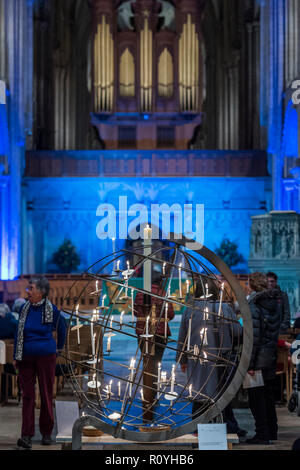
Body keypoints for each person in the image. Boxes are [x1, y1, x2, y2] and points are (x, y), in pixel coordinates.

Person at [176, 277, 244, 435]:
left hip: (196, 358)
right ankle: (223, 430)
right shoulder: (224, 307)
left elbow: (182, 336)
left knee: (199, 393)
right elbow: (237, 332)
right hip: (220, 358)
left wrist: (182, 359)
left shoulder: (190, 308)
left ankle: (198, 430)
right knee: (220, 394)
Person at [13, 276, 67, 449]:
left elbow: (62, 328)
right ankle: (26, 435)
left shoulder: (52, 310)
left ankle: (46, 433)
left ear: (42, 292)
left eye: (31, 288)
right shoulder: (24, 308)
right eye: (28, 288)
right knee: (27, 396)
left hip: (46, 357)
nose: (28, 291)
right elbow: (18, 333)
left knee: (45, 394)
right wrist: (16, 355)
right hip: (26, 357)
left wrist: (58, 349)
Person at [245, 272, 282, 445]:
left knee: (256, 398)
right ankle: (272, 431)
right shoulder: (273, 303)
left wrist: (249, 364)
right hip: (270, 355)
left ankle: (262, 434)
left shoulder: (254, 303)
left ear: (252, 285)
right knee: (267, 396)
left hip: (258, 359)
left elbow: (255, 336)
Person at [134, 270, 175, 423]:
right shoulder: (162, 293)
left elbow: (134, 311)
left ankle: (147, 399)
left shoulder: (139, 293)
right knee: (156, 364)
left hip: (142, 332)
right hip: (160, 334)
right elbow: (170, 314)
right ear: (159, 281)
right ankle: (152, 397)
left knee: (146, 364)